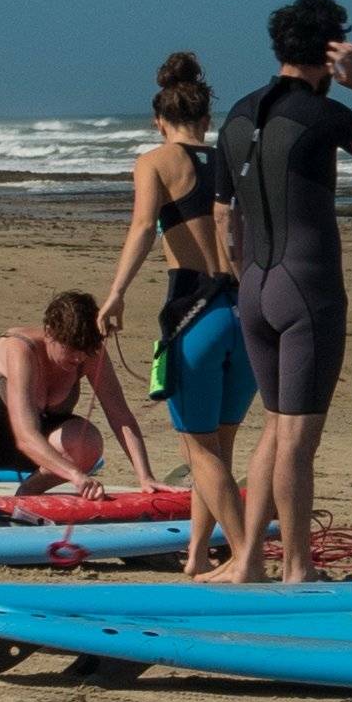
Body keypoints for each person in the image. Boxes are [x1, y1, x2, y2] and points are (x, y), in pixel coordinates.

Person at [207, 0, 352, 583]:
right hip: (308, 288)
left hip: (253, 287)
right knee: (299, 436)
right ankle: (298, 567)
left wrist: (246, 275)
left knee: (275, 424)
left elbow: (225, 216)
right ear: (332, 50)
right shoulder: (322, 113)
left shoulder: (237, 115)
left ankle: (248, 560)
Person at [101, 51, 253, 573]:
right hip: (246, 314)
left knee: (199, 450)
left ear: (158, 120)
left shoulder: (155, 161)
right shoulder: (234, 162)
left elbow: (144, 228)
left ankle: (242, 558)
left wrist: (116, 292)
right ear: (207, 120)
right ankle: (196, 556)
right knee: (217, 450)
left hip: (195, 313)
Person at [0, 288, 164, 506]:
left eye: (85, 350)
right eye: (71, 349)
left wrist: (145, 475)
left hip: (37, 445)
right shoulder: (20, 348)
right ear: (49, 333)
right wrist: (75, 476)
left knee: (88, 441)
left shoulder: (89, 354)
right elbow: (25, 436)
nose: (78, 358)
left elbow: (120, 416)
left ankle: (29, 491)